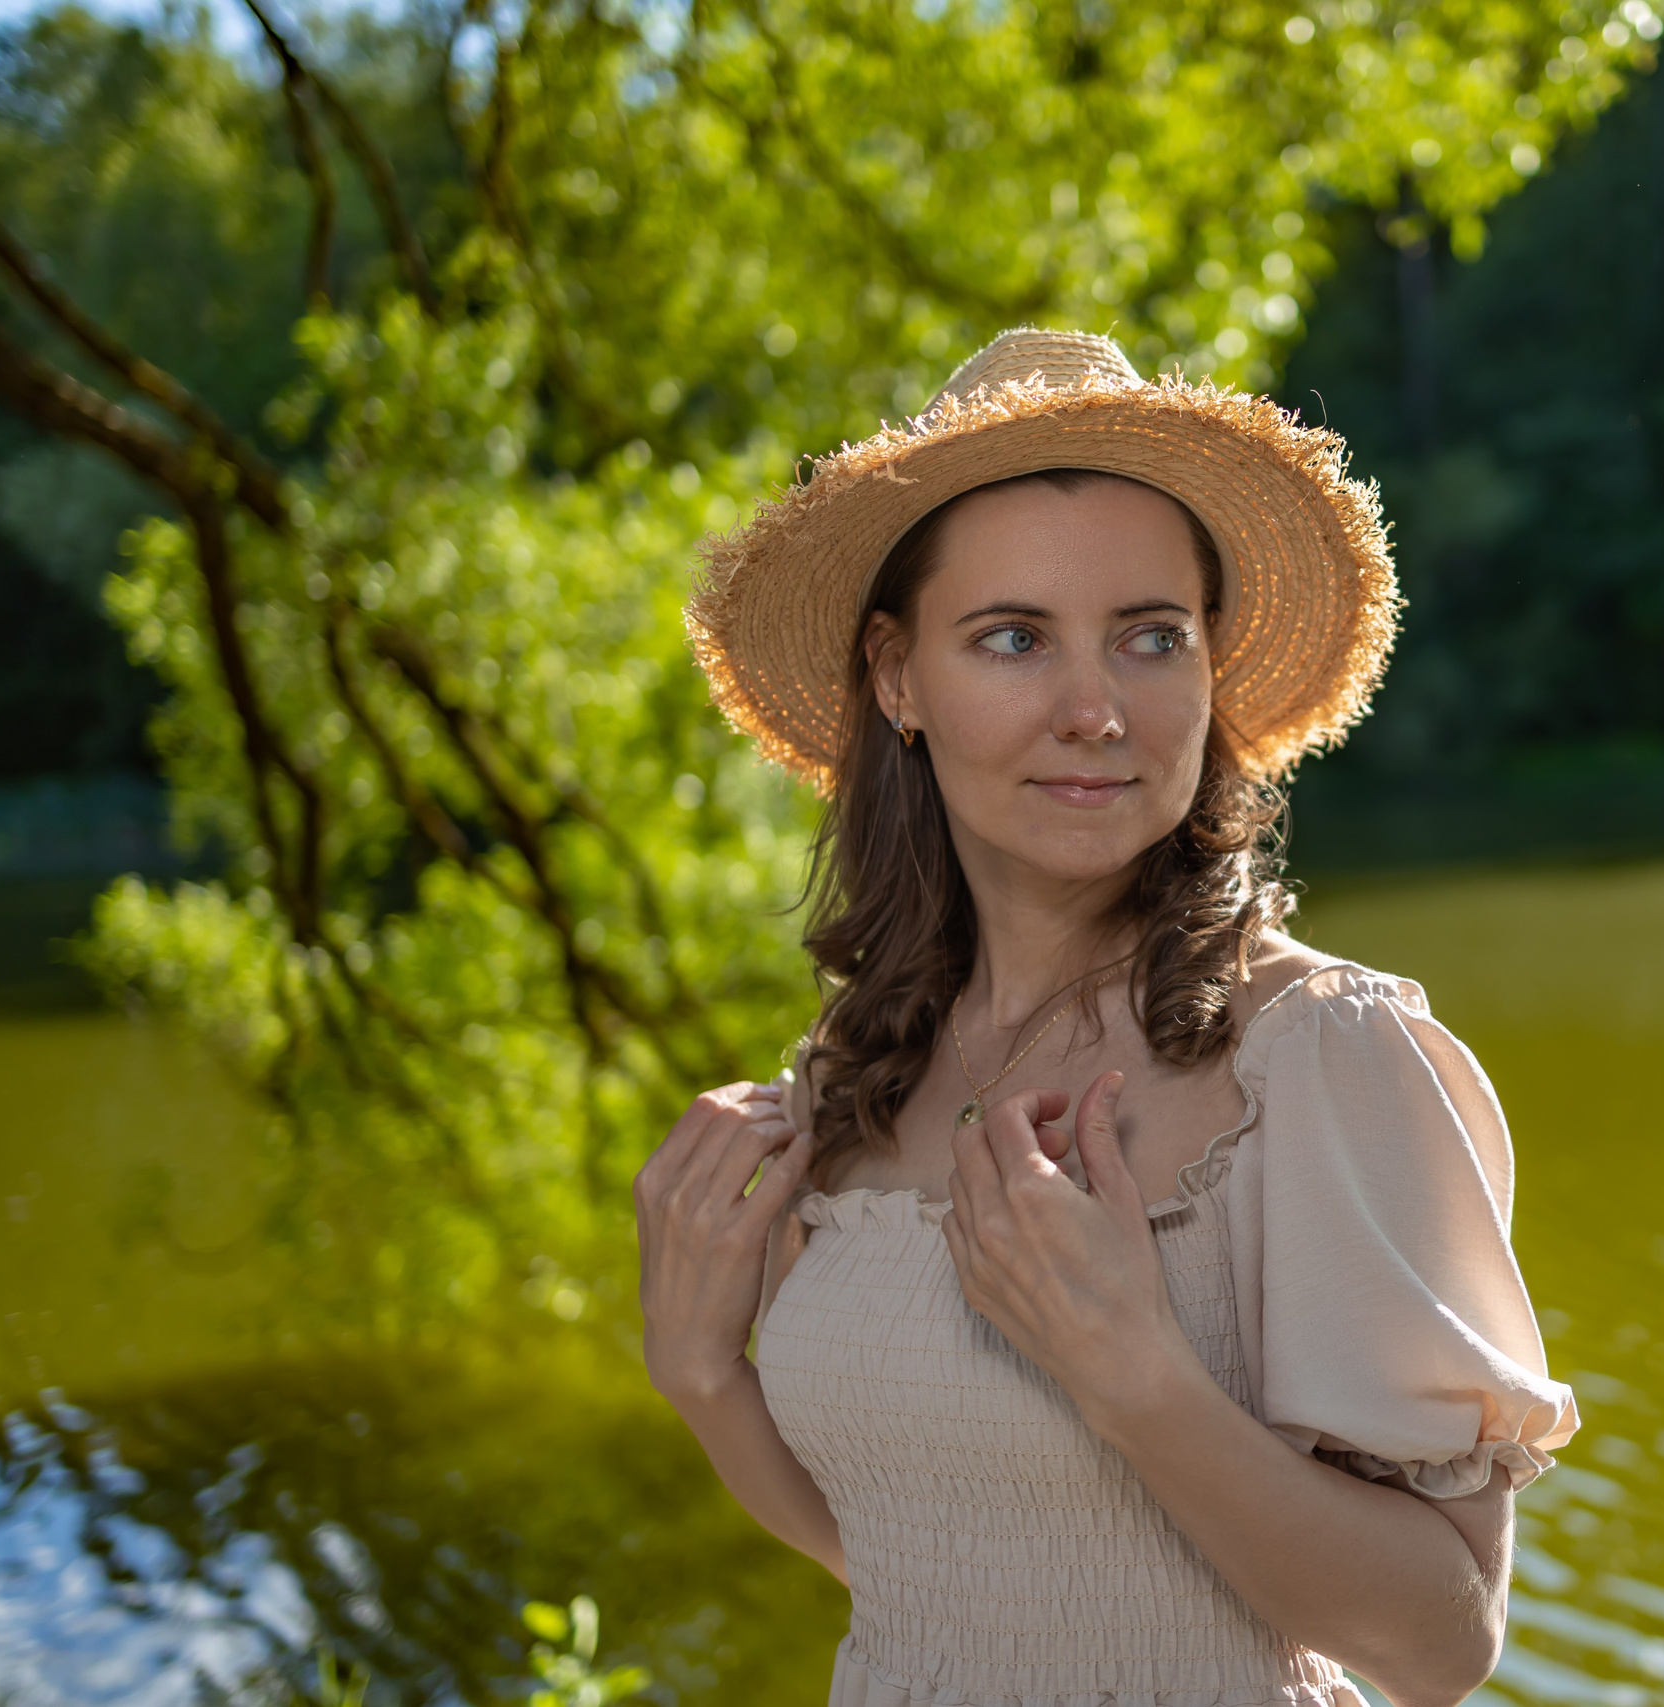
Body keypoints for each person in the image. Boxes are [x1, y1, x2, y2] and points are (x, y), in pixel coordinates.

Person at [632, 328, 1577, 1707]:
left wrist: (1136, 1380)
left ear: (1209, 671)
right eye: (1012, 639)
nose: (1096, 711)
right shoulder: (863, 1059)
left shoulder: (1320, 1054)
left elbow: (1442, 1641)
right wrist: (703, 1373)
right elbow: (921, 1564)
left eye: (1150, 638)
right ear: (897, 679)